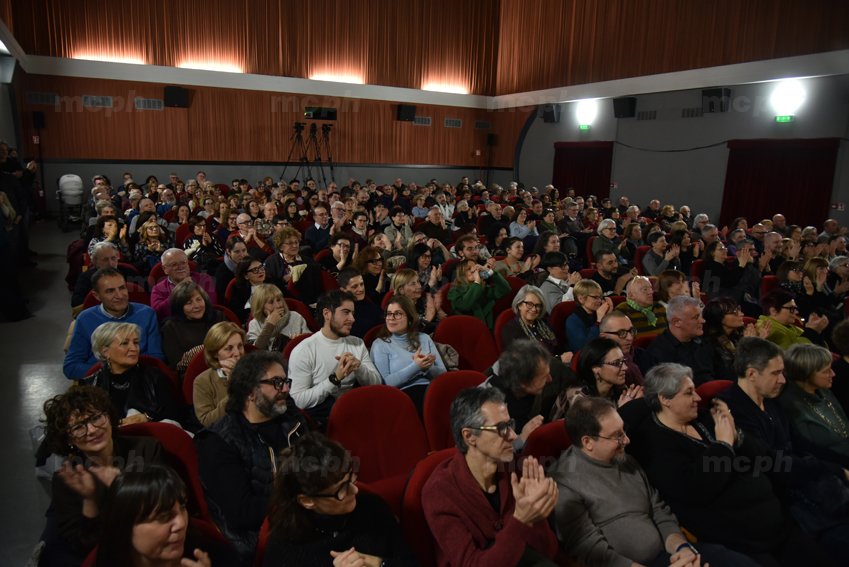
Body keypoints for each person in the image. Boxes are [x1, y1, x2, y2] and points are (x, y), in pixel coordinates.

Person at [623, 362, 834, 565]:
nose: (698, 397)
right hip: (739, 539)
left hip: (776, 522)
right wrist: (723, 445)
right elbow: (696, 489)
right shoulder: (656, 444)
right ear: (665, 399)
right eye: (689, 393)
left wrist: (737, 435)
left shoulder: (703, 418)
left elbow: (760, 454)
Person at [551, 396, 756, 567]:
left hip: (670, 554)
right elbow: (590, 549)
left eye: (624, 431)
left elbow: (658, 510)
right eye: (617, 436)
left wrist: (682, 549)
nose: (627, 440)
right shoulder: (565, 483)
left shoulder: (625, 460)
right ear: (588, 442)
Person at [718, 337, 849, 563]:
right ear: (751, 374)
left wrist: (841, 466)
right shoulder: (731, 411)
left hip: (806, 485)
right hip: (781, 502)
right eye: (776, 373)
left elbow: (800, 444)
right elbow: (773, 463)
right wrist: (834, 470)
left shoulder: (771, 400)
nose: (783, 380)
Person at [422, 387, 559, 566]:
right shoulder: (439, 493)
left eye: (510, 424)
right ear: (469, 436)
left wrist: (538, 515)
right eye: (501, 428)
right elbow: (471, 563)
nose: (513, 435)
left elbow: (548, 552)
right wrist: (521, 521)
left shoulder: (519, 469)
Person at [195, 350, 309, 562]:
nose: (285, 389)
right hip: (256, 540)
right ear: (250, 392)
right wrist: (303, 500)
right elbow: (242, 512)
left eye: (286, 382)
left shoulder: (292, 422)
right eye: (276, 382)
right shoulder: (218, 441)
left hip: (302, 518)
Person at [37, 386, 163, 567]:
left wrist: (119, 486)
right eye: (78, 427)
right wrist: (90, 500)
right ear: (69, 440)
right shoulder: (67, 480)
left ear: (109, 417)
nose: (91, 430)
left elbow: (164, 506)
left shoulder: (147, 449)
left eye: (96, 418)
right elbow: (84, 547)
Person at [263, 433, 418, 567]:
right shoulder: (285, 541)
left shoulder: (373, 508)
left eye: (351, 478)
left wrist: (378, 563)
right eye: (342, 489)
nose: (355, 490)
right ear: (307, 501)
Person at [95, 465, 234, 567]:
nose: (181, 523)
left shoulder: (214, 555)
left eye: (183, 507)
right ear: (124, 527)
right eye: (164, 516)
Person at [288, 290, 382, 424]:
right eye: (346, 312)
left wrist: (359, 368)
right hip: (324, 418)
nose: (352, 319)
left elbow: (377, 384)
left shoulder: (357, 343)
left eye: (353, 313)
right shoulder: (304, 350)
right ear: (327, 314)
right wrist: (334, 379)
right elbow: (299, 401)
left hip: (356, 409)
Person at [64, 268, 163, 381]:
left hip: (138, 380)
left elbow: (156, 358)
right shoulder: (85, 319)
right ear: (97, 295)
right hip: (100, 382)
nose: (119, 295)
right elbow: (71, 367)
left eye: (122, 288)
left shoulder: (147, 314)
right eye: (110, 291)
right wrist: (110, 374)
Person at [86, 322, 183, 425]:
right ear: (105, 352)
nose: (134, 348)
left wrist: (147, 417)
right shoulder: (91, 385)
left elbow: (175, 415)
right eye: (125, 343)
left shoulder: (154, 376)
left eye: (136, 343)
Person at [370, 296, 446, 413]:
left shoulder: (424, 338)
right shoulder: (380, 344)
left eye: (397, 314)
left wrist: (428, 367)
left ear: (410, 317)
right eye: (389, 314)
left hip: (432, 390)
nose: (391, 318)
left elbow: (443, 375)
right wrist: (416, 366)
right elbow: (386, 383)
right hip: (403, 396)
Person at [781, 343, 849, 467]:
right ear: (806, 374)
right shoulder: (791, 406)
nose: (833, 374)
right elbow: (810, 451)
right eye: (826, 371)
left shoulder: (823, 391)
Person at [646, 295, 724, 384]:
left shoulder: (705, 342)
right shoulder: (659, 352)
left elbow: (722, 375)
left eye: (701, 316)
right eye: (696, 317)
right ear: (677, 322)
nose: (703, 321)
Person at [160, 280, 225, 372]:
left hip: (224, 366)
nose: (196, 306)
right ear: (179, 306)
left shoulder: (218, 317)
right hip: (192, 373)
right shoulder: (170, 327)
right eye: (189, 303)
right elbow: (177, 363)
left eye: (199, 299)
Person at [193, 322, 246, 427]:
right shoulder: (202, 381)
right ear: (215, 353)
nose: (237, 353)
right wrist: (234, 388)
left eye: (240, 346)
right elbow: (207, 421)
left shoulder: (257, 370)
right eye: (228, 348)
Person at [150, 248, 218, 320]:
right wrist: (179, 289)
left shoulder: (204, 279)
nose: (180, 267)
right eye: (174, 264)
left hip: (204, 322)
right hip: (174, 325)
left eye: (183, 263)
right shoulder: (158, 289)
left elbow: (211, 304)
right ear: (164, 269)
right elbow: (158, 313)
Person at [577, 337, 643, 407]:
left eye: (623, 361)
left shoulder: (621, 390)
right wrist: (624, 409)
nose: (625, 367)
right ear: (596, 369)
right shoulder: (581, 401)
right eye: (616, 363)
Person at [448, 258, 510, 329]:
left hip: (488, 329)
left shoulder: (483, 288)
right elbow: (464, 305)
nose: (473, 270)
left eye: (475, 267)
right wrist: (477, 282)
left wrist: (491, 272)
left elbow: (505, 289)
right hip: (467, 329)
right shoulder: (455, 291)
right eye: (469, 269)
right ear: (462, 274)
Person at [758, 288, 828, 349]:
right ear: (774, 311)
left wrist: (817, 330)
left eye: (795, 308)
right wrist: (811, 331)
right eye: (791, 309)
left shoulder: (789, 326)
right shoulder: (769, 330)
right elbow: (795, 355)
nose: (796, 312)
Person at [390, 268, 444, 334]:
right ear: (401, 290)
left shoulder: (421, 300)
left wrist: (437, 310)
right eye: (413, 284)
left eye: (418, 281)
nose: (419, 286)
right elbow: (409, 335)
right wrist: (427, 319)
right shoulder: (397, 310)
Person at [566, 279, 613, 351]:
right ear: (581, 299)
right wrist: (598, 321)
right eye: (595, 297)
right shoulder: (572, 321)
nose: (599, 301)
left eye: (600, 297)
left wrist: (608, 315)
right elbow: (584, 346)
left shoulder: (597, 314)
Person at [337, 267, 384, 338]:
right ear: (343, 290)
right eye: (354, 286)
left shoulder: (370, 304)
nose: (361, 289)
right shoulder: (341, 314)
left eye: (361, 284)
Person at [227, 257, 268, 324]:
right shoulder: (240, 291)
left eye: (261, 267)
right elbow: (238, 313)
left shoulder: (274, 283)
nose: (261, 271)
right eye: (255, 270)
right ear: (246, 276)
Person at [214, 236, 249, 300]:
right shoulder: (222, 272)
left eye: (244, 250)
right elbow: (224, 299)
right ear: (228, 252)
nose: (242, 255)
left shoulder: (251, 263)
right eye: (237, 252)